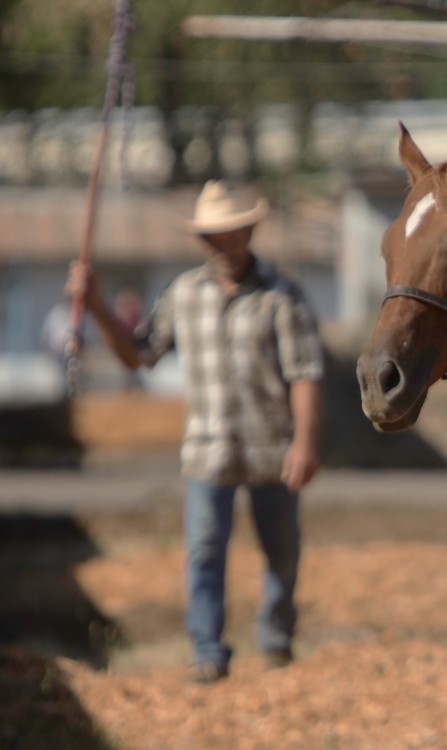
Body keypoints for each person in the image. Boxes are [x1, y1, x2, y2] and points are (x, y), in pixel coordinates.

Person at [66, 180, 324, 684]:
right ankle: (207, 649)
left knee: (282, 550)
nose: (221, 246)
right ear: (200, 242)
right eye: (211, 237)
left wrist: (306, 443)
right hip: (208, 449)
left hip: (271, 446)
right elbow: (137, 355)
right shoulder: (183, 295)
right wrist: (96, 306)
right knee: (204, 550)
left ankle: (275, 639)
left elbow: (305, 374)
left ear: (248, 232)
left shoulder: (282, 295)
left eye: (230, 234)